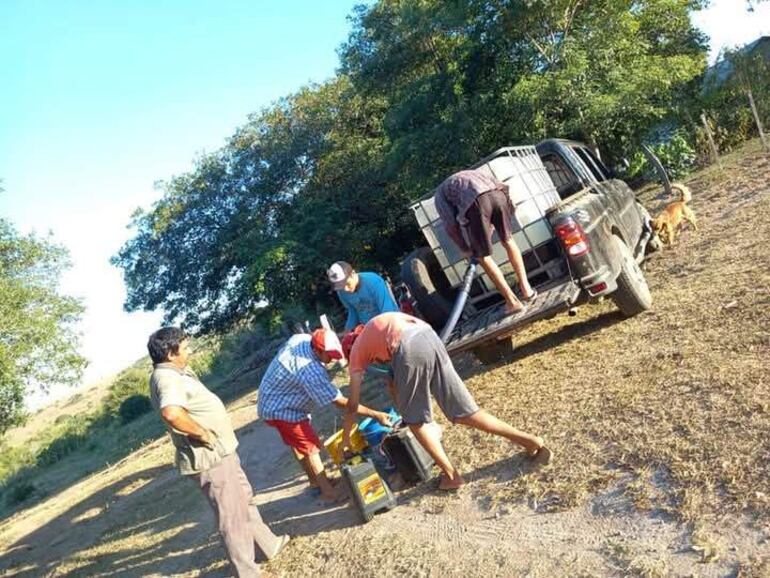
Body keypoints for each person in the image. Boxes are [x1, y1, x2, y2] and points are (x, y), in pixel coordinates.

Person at [340, 312, 552, 491]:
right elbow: (393, 380)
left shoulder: (357, 352)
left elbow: (352, 405)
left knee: (416, 424)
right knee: (466, 412)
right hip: (429, 336)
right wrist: (404, 408)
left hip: (408, 347)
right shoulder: (376, 331)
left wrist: (346, 441)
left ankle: (451, 476)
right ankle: (530, 441)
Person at [148, 327, 287, 578]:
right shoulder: (167, 378)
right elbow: (172, 412)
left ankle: (268, 545)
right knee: (232, 516)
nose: (190, 350)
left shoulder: (173, 372)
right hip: (210, 457)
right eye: (185, 346)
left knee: (244, 499)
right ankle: (247, 573)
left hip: (221, 452)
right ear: (170, 353)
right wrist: (201, 433)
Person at [258, 328, 392, 502]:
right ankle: (328, 492)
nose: (332, 360)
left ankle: (316, 483)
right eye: (329, 356)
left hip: (272, 398)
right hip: (281, 409)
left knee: (299, 445)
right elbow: (339, 401)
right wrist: (376, 414)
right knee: (310, 447)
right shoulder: (310, 370)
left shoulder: (303, 338)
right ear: (317, 350)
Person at [435, 168, 537, 314]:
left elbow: (451, 226)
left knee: (482, 257)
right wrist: (508, 210)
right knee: (508, 240)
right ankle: (527, 290)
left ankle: (512, 302)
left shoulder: (439, 195)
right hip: (498, 195)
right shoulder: (472, 173)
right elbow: (503, 187)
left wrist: (464, 248)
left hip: (476, 203)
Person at [327, 261, 398, 331]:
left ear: (353, 274)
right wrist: (348, 331)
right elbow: (353, 311)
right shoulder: (341, 292)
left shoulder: (373, 281)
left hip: (391, 322)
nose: (346, 289)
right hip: (368, 329)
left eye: (347, 284)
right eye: (341, 286)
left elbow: (387, 310)